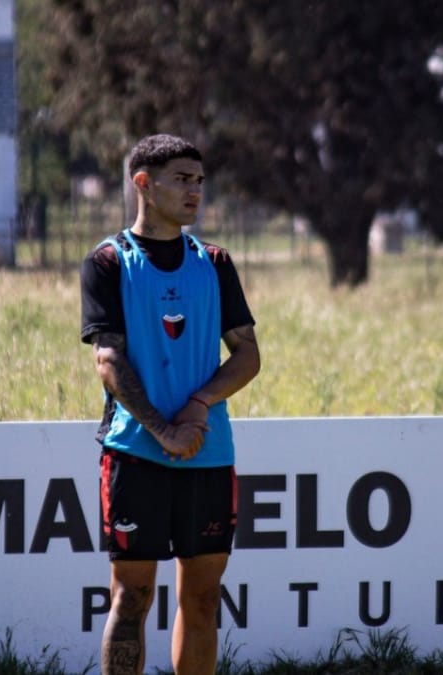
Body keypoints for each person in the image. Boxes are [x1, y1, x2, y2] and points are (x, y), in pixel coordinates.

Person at [79, 134, 260, 675]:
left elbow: (248, 355)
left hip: (207, 451)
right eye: (182, 179)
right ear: (143, 183)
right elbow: (108, 361)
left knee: (202, 601)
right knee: (131, 600)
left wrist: (200, 404)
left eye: (199, 181)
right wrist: (163, 430)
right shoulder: (109, 262)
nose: (195, 191)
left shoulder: (215, 262)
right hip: (136, 453)